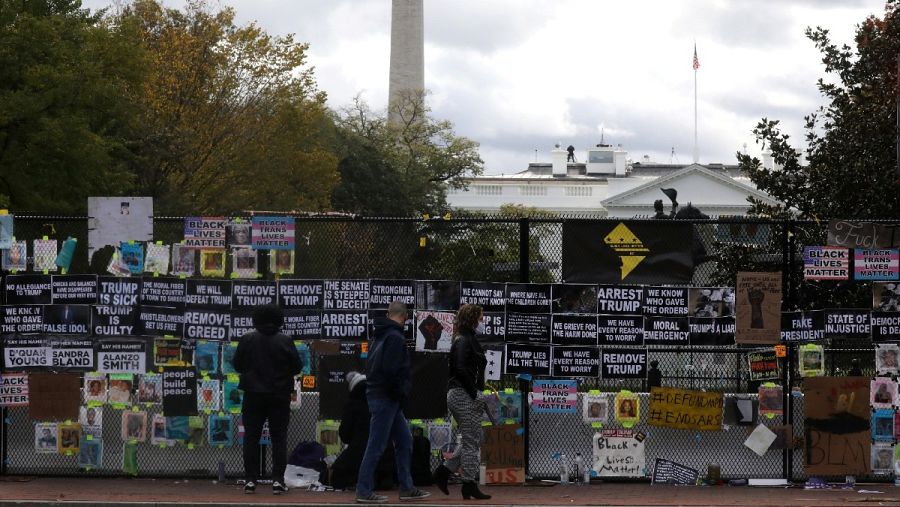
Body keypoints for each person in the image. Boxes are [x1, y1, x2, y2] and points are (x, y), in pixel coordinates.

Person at [356, 301, 430, 504]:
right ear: (405, 317)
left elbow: (377, 367)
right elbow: (392, 371)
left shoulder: (379, 336)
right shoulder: (396, 338)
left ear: (389, 314)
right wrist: (401, 392)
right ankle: (363, 489)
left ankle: (406, 487)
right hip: (387, 397)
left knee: (404, 441)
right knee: (377, 445)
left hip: (380, 394)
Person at [233, 304, 303, 495]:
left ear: (256, 319)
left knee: (251, 437)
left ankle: (250, 480)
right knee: (279, 437)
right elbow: (297, 367)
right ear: (279, 319)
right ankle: (278, 480)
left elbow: (237, 364)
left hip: (253, 394)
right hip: (279, 394)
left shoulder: (247, 339)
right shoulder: (285, 340)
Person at [432, 304, 491, 501]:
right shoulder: (464, 341)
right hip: (463, 395)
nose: (483, 322)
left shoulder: (466, 339)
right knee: (472, 442)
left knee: (474, 438)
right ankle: (469, 483)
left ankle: (444, 472)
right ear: (473, 319)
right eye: (481, 319)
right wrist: (474, 393)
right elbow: (460, 368)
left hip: (463, 394)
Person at [329, 371, 395, 491]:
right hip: (387, 458)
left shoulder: (352, 406)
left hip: (358, 454)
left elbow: (345, 435)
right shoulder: (382, 403)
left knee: (337, 474)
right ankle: (383, 477)